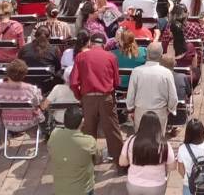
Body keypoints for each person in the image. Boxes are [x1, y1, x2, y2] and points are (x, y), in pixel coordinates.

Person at [70, 33, 123, 165]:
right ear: (104, 44)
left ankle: (90, 161)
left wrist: (79, 96)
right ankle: (120, 163)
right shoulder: (111, 56)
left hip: (88, 98)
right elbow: (116, 81)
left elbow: (73, 82)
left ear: (90, 43)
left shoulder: (80, 57)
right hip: (106, 97)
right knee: (112, 130)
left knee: (88, 131)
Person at [119, 111, 176, 194]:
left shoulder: (131, 140)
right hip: (157, 186)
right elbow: (172, 166)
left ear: (141, 125)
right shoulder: (164, 144)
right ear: (158, 126)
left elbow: (122, 162)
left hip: (134, 185)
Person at [0, 59, 45, 132]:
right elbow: (37, 103)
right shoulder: (31, 89)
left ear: (7, 73)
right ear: (24, 74)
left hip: (6, 122)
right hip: (29, 122)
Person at [177, 119, 204, 195]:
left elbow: (181, 169)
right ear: (203, 132)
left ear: (187, 134)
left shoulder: (182, 149)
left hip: (189, 186)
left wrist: (187, 178)